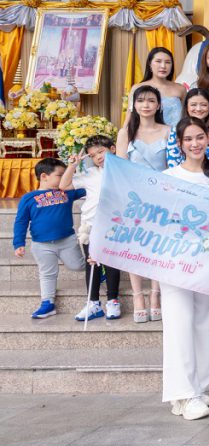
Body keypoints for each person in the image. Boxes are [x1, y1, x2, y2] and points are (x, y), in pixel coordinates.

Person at [161, 117, 209, 421]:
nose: (195, 144)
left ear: (208, 139)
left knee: (204, 322)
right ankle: (182, 393)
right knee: (179, 323)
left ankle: (198, 386)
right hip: (175, 260)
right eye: (188, 139)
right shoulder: (167, 177)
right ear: (179, 144)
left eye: (200, 137)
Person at [116, 85, 171, 323]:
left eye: (151, 100)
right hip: (135, 198)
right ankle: (138, 296)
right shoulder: (125, 132)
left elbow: (172, 165)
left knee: (158, 248)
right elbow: (121, 168)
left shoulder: (169, 130)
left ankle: (155, 294)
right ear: (134, 105)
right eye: (141, 100)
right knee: (135, 250)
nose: (146, 104)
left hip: (162, 197)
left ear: (159, 105)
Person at [12, 158, 87, 319]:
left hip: (67, 240)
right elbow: (21, 221)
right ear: (44, 176)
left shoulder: (66, 192)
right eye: (60, 175)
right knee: (47, 273)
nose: (65, 178)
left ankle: (99, 271)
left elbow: (91, 187)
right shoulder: (28, 198)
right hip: (41, 244)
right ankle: (47, 303)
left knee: (78, 266)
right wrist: (19, 243)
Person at [59, 135, 121, 321]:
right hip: (91, 224)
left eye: (101, 151)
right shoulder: (90, 174)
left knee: (111, 263)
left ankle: (113, 301)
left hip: (113, 225)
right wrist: (73, 165)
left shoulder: (123, 171)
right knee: (91, 263)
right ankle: (93, 303)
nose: (98, 157)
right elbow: (64, 185)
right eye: (93, 155)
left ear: (113, 148)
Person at [166, 88, 209, 167]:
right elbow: (173, 162)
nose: (198, 109)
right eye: (193, 105)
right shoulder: (176, 130)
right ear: (186, 107)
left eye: (203, 105)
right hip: (182, 178)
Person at [134, 47, 186, 129]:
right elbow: (131, 119)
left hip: (178, 136)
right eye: (158, 61)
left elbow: (186, 117)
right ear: (150, 64)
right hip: (150, 137)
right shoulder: (138, 88)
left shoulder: (180, 89)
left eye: (168, 62)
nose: (163, 66)